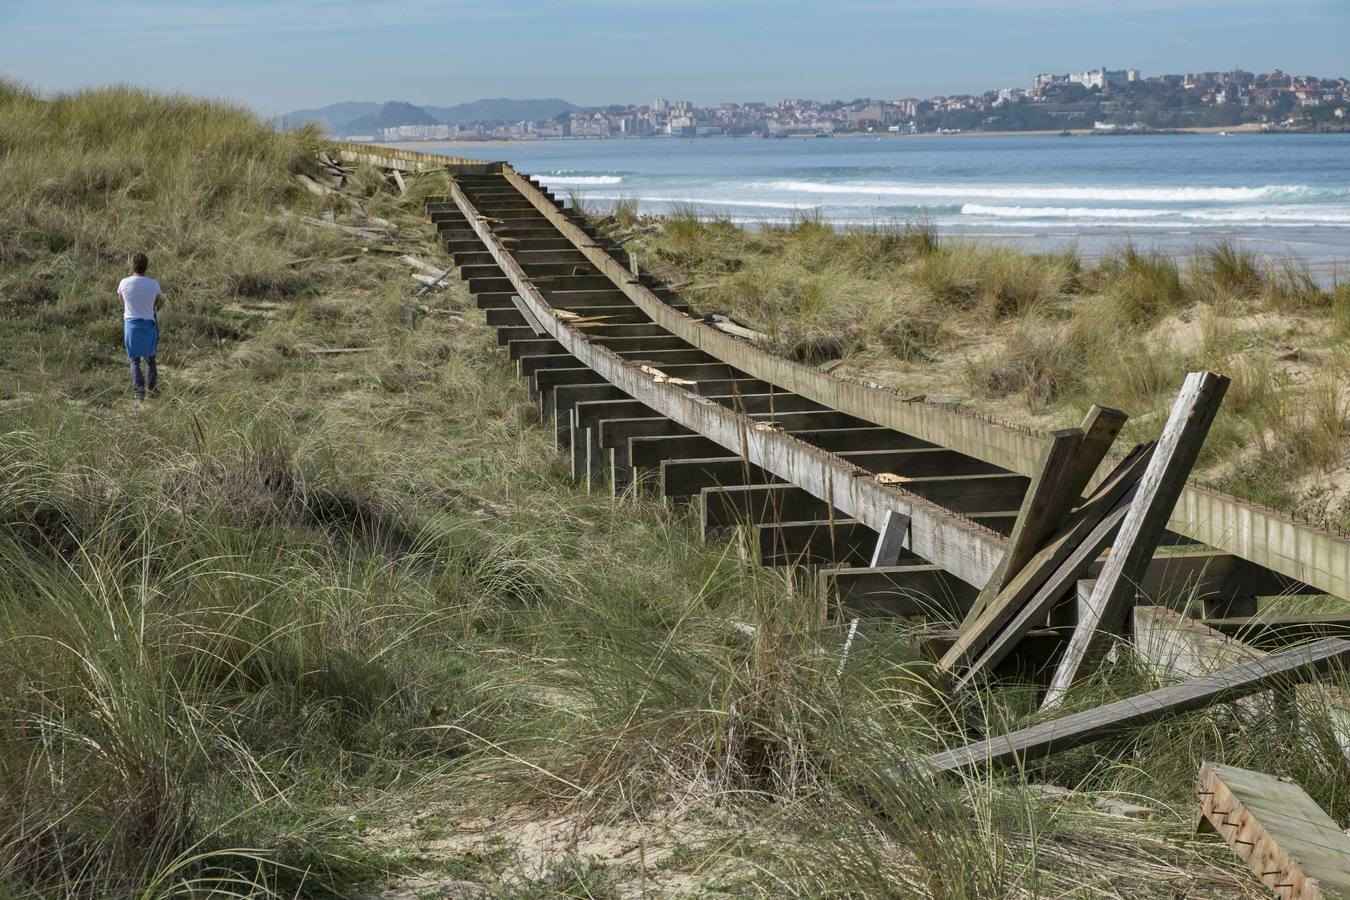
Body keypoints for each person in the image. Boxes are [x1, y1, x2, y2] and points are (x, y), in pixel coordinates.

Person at [117, 253, 163, 401]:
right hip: (149, 323)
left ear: (132, 265)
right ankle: (152, 390)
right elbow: (156, 302)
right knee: (150, 359)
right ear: (146, 266)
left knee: (134, 360)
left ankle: (139, 392)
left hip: (131, 324)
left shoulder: (124, 283)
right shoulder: (154, 284)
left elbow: (122, 301)